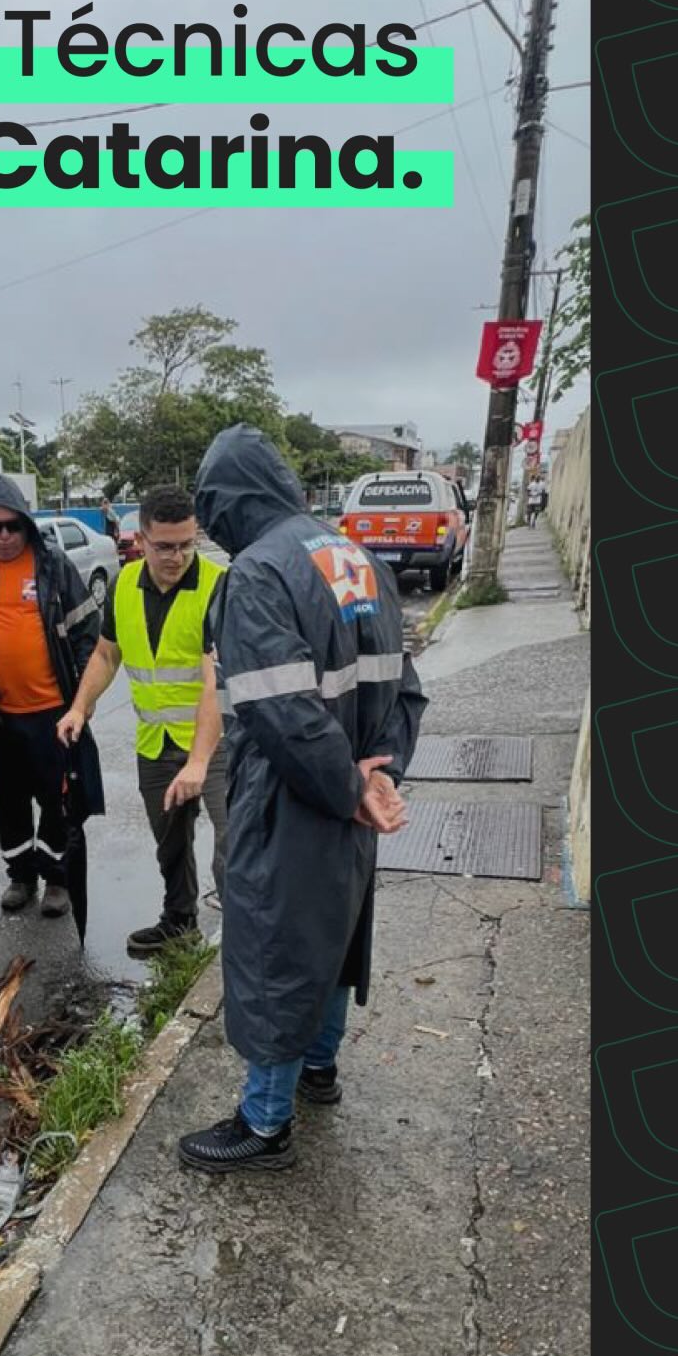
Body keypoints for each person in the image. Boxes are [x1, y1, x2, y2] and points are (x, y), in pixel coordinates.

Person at [177, 426, 427, 1178]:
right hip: (350, 791)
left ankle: (264, 1123)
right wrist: (378, 779)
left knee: (276, 950)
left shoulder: (256, 573)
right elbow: (405, 689)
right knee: (332, 934)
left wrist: (351, 791)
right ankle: (318, 1071)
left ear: (225, 503)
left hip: (292, 798)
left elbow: (280, 713)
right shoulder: (357, 557)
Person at [57, 485, 227, 958]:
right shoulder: (124, 583)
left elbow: (217, 681)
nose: (177, 556)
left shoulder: (218, 586)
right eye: (165, 546)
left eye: (187, 544)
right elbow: (108, 653)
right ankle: (179, 921)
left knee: (234, 844)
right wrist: (79, 708)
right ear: (141, 539)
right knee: (169, 841)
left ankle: (247, 939)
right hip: (155, 740)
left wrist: (197, 762)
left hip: (215, 745)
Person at [0, 475, 104, 916]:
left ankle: (57, 879)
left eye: (10, 527)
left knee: (58, 801)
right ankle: (21, 875)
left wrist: (82, 702)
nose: (1, 536)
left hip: (54, 713)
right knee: (8, 803)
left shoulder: (54, 566)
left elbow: (87, 638)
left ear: (26, 526)